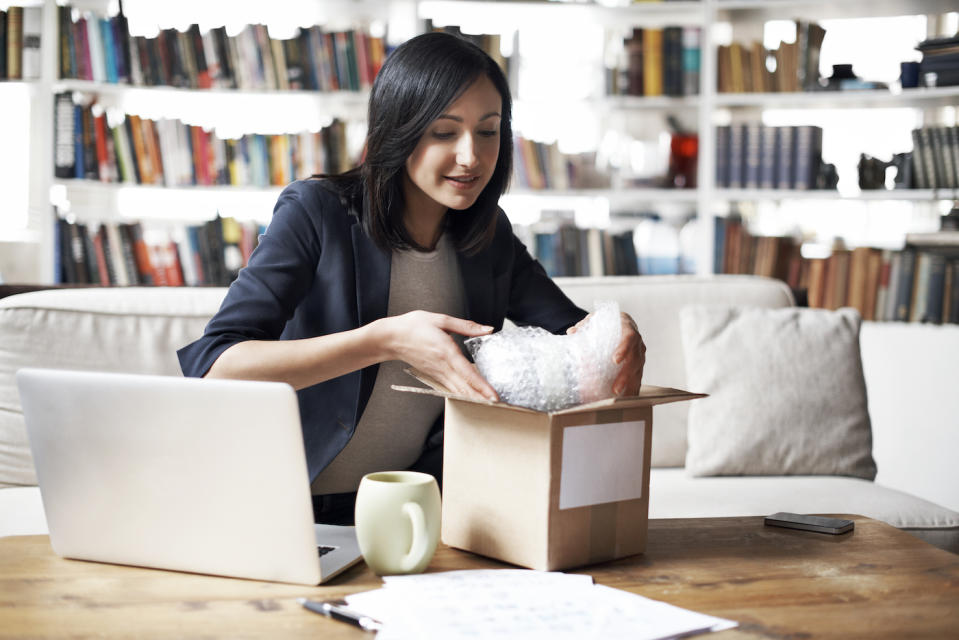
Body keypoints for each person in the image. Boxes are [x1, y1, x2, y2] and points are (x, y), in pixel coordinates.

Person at [177, 32, 645, 524]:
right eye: (445, 132)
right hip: (289, 509)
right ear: (400, 130)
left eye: (488, 131)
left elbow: (573, 332)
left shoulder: (488, 236)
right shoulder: (317, 213)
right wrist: (385, 341)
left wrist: (617, 334)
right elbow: (214, 367)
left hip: (423, 510)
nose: (471, 156)